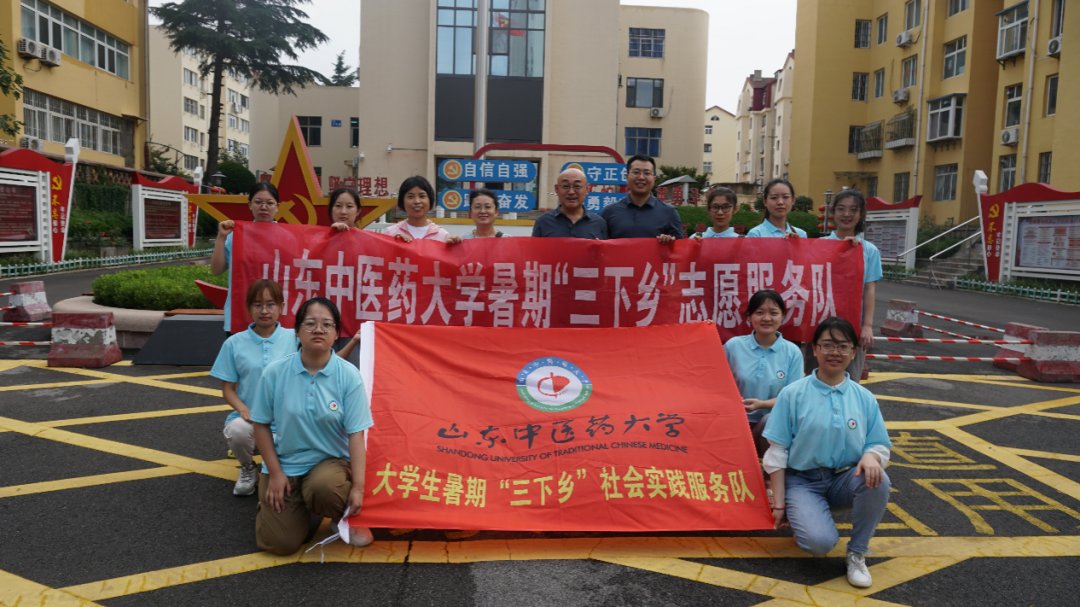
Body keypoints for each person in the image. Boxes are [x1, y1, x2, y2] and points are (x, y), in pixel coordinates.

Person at [762, 316, 892, 589]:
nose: (835, 352)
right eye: (828, 345)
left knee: (879, 480)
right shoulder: (792, 394)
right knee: (819, 544)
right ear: (814, 349)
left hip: (843, 479)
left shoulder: (864, 397)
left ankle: (857, 553)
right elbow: (777, 451)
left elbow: (879, 444)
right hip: (802, 481)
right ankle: (804, 513)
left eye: (843, 346)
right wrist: (780, 505)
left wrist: (872, 456)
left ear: (854, 352)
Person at [251, 297, 374, 554]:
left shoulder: (348, 375)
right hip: (286, 465)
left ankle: (341, 518)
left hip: (330, 465)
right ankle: (280, 507)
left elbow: (356, 435)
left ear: (336, 334)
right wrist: (275, 473)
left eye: (327, 324)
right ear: (296, 331)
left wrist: (358, 489)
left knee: (325, 488)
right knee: (281, 545)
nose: (318, 329)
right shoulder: (275, 372)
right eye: (310, 323)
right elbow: (260, 424)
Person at [210, 279, 297, 497]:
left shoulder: (295, 338)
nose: (264, 311)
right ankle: (248, 468)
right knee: (237, 430)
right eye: (257, 305)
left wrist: (353, 341)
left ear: (281, 307)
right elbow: (228, 389)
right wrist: (243, 410)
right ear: (249, 308)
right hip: (252, 418)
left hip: (289, 418)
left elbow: (325, 361)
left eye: (270, 304)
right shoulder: (234, 343)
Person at [722, 290, 803, 457]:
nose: (766, 318)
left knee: (769, 421)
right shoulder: (733, 346)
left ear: (783, 316)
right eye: (759, 313)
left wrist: (761, 405)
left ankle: (770, 472)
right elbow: (715, 384)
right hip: (733, 422)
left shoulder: (792, 352)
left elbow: (792, 398)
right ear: (749, 316)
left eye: (773, 313)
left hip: (771, 426)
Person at [819, 189, 882, 383]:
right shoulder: (818, 245)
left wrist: (867, 326)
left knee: (850, 382)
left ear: (861, 214)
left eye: (853, 210)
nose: (846, 214)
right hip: (820, 326)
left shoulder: (869, 250)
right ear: (833, 212)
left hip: (853, 327)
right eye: (841, 209)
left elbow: (869, 289)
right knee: (817, 380)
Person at [210, 183, 280, 333]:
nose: (263, 207)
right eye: (258, 202)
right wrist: (222, 237)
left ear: (277, 207)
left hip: (276, 317)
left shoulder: (287, 237)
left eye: (269, 203)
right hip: (240, 314)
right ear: (250, 205)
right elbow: (217, 270)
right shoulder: (236, 235)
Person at [600, 155, 685, 242]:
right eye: (636, 172)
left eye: (647, 173)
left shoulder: (669, 212)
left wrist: (669, 241)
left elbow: (680, 247)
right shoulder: (609, 211)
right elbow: (599, 245)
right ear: (627, 177)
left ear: (654, 179)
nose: (641, 177)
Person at [531, 168, 608, 239]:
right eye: (565, 186)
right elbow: (534, 249)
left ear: (587, 189)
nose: (571, 192)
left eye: (577, 186)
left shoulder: (599, 223)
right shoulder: (543, 221)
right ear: (557, 189)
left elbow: (604, 249)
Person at [382, 176, 450, 242]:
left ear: (430, 199)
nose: (417, 201)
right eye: (410, 196)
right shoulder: (390, 233)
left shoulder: (443, 236)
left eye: (422, 196)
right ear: (402, 201)